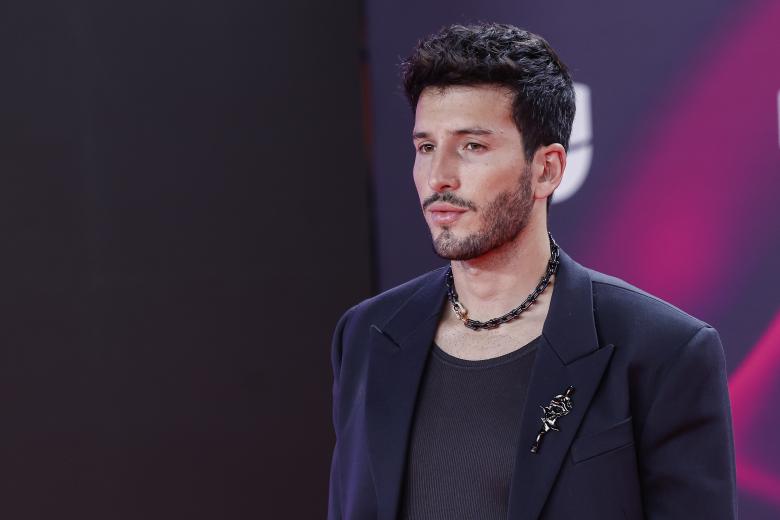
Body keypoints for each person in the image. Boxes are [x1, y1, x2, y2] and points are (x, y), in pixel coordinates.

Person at [327, 23, 736, 520]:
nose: (438, 177)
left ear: (546, 169)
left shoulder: (661, 351)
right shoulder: (367, 336)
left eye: (472, 146)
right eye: (426, 147)